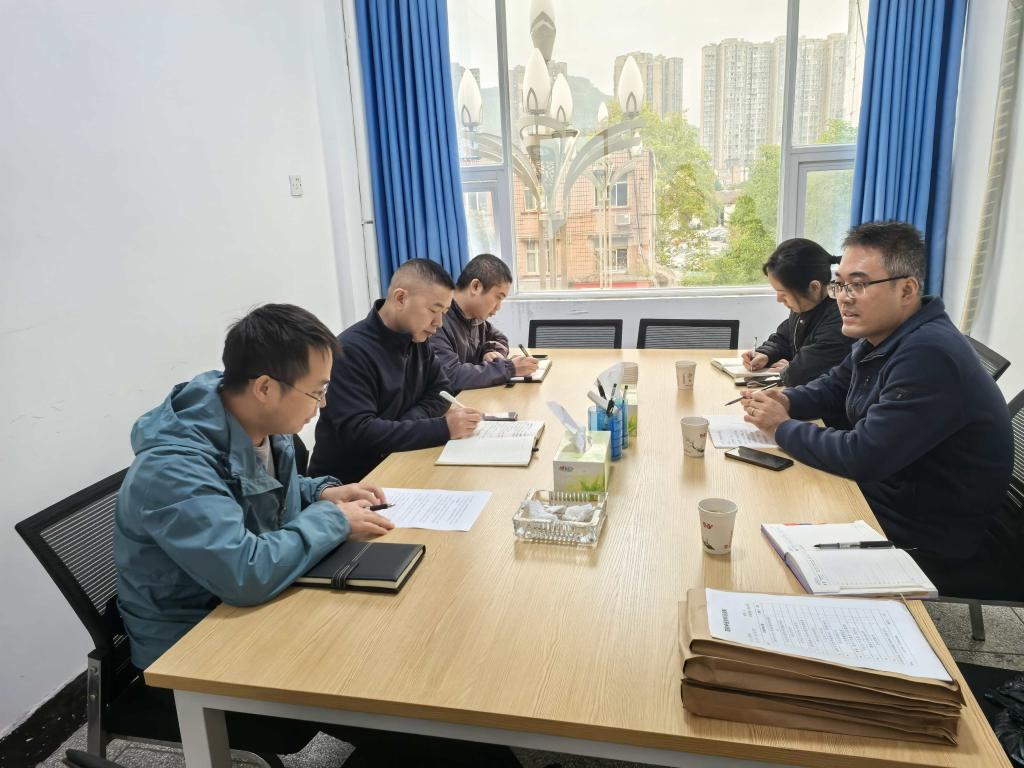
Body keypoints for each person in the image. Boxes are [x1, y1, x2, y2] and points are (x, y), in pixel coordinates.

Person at [114, 303, 394, 759]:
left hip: (255, 608)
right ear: (265, 387)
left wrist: (321, 492)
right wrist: (332, 520)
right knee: (382, 690)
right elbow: (244, 574)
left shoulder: (259, 422)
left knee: (387, 657)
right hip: (193, 646)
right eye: (317, 392)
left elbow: (261, 493)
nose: (322, 405)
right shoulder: (172, 470)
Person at [742, 221, 1016, 597]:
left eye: (859, 285)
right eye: (840, 284)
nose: (843, 298)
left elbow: (863, 455)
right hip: (895, 493)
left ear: (907, 289)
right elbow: (834, 385)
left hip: (930, 531)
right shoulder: (884, 336)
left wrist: (781, 427)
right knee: (775, 496)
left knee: (772, 539)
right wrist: (787, 401)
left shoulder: (929, 354)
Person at [309, 259, 482, 483]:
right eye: (434, 310)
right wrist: (442, 428)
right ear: (401, 298)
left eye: (445, 312)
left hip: (400, 459)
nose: (439, 322)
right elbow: (361, 433)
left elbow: (441, 390)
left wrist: (409, 421)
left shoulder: (417, 339)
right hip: (350, 482)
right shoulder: (350, 351)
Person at [742, 238, 854, 387]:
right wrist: (766, 354)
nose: (779, 299)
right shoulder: (806, 306)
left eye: (783, 293)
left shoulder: (841, 316)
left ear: (814, 287)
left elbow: (803, 373)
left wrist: (789, 370)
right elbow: (785, 338)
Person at [429, 253, 538, 391]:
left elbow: (500, 339)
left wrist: (490, 351)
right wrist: (509, 368)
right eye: (498, 297)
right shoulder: (436, 322)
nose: (498, 307)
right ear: (476, 286)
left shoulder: (475, 318)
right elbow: (451, 376)